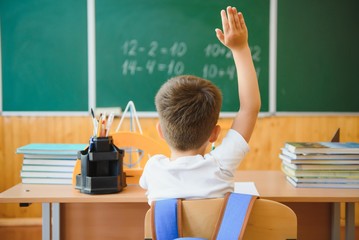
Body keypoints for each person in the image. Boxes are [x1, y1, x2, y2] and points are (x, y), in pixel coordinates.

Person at [139, 6, 261, 204]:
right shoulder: (221, 166)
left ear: (161, 131)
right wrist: (240, 48)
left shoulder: (154, 169)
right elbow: (250, 107)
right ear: (214, 133)